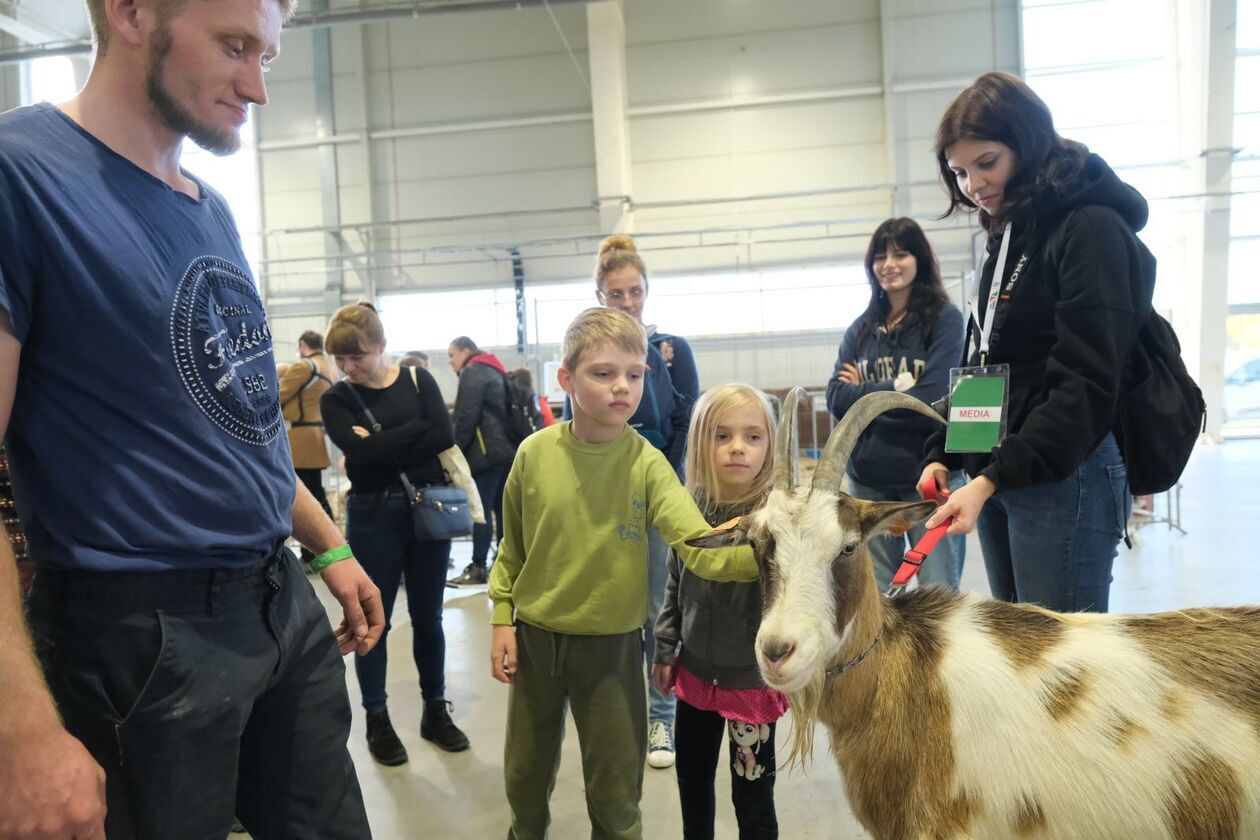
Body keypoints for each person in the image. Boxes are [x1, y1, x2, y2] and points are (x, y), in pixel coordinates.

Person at [0, 1, 384, 837]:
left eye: (269, 57)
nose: (258, 86)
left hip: (279, 600)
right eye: (235, 47)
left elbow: (235, 424)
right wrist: (19, 733)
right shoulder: (19, 174)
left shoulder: (207, 207)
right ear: (132, 11)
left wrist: (329, 544)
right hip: (143, 637)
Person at [489, 307, 758, 840]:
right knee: (524, 782)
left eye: (635, 375)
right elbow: (511, 548)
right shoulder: (533, 454)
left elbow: (698, 546)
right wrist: (502, 616)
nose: (623, 388)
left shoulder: (648, 463)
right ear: (566, 379)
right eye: (604, 373)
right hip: (536, 641)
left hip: (611, 651)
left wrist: (771, 559)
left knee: (615, 798)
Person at [920, 71, 1150, 613]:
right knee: (1024, 655)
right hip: (1003, 472)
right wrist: (949, 453)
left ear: (1026, 145)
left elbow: (1087, 381)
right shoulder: (1005, 231)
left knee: (1063, 667)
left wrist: (993, 476)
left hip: (1069, 469)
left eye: (987, 163)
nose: (973, 185)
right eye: (959, 172)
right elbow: (991, 365)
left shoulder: (1089, 227)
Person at [321, 303, 472, 762]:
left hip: (427, 510)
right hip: (372, 515)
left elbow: (443, 434)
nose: (349, 368)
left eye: (358, 357)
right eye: (340, 360)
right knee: (372, 623)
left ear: (381, 347)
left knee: (429, 618)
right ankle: (377, 718)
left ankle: (435, 710)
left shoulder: (416, 379)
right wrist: (413, 431)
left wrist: (376, 443)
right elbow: (357, 456)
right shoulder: (336, 398)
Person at [653, 384, 789, 840]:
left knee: (753, 796)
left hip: (749, 683)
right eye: (722, 435)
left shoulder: (778, 519)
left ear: (770, 445)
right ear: (699, 442)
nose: (737, 448)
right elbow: (675, 582)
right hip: (693, 679)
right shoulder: (688, 510)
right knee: (693, 784)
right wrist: (665, 647)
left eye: (753, 437)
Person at [582, 233, 697, 769]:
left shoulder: (671, 351)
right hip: (602, 495)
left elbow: (685, 419)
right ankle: (619, 710)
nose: (628, 303)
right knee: (610, 607)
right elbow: (577, 425)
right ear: (600, 296)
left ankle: (661, 719)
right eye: (616, 294)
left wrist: (658, 476)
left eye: (635, 292)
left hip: (657, 490)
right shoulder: (588, 353)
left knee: (657, 610)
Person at [826, 218, 966, 592]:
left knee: (939, 594)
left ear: (918, 259)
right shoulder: (861, 328)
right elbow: (835, 398)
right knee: (874, 597)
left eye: (900, 254)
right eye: (880, 256)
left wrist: (867, 399)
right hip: (868, 487)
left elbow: (934, 400)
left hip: (929, 480)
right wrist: (895, 389)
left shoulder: (944, 320)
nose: (889, 263)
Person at [447, 336, 515, 586]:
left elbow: (466, 415)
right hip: (506, 450)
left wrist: (455, 451)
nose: (451, 363)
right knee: (502, 509)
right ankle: (506, 564)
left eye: (451, 356)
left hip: (486, 452)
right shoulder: (496, 369)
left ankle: (478, 567)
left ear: (465, 350)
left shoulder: (473, 371)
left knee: (480, 511)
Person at [279, 330, 336, 564]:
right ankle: (323, 550)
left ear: (302, 345)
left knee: (304, 496)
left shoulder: (305, 367)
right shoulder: (327, 366)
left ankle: (316, 551)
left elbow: (278, 395)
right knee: (315, 492)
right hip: (313, 435)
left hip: (300, 437)